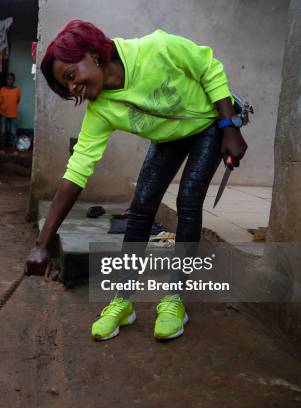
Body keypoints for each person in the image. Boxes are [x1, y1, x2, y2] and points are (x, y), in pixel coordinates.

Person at [24, 21, 248, 341]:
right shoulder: (101, 110)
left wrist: (230, 126)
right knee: (141, 206)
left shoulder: (157, 48)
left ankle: (174, 299)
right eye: (66, 87)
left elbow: (209, 67)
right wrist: (41, 244)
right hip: (169, 137)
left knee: (187, 200)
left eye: (71, 76)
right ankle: (123, 300)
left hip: (209, 124)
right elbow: (76, 171)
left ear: (92, 54)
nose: (72, 88)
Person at [0, 73, 21, 155]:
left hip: (13, 114)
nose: (10, 81)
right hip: (3, 113)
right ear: (6, 80)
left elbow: (17, 100)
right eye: (8, 79)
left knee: (13, 132)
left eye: (11, 79)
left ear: (14, 80)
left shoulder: (17, 90)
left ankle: (13, 149)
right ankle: (2, 148)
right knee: (3, 131)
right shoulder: (2, 89)